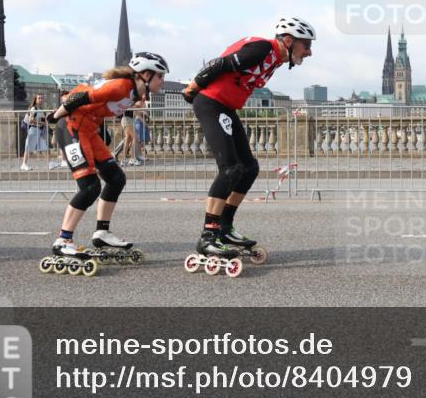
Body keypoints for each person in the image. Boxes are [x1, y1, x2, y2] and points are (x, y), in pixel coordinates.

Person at [182, 17, 315, 261]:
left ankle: (224, 227)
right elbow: (220, 63)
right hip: (212, 103)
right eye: (305, 45)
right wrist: (193, 86)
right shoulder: (264, 48)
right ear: (289, 40)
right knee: (230, 169)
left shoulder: (275, 59)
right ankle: (208, 236)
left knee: (249, 167)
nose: (309, 52)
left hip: (226, 108)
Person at [44, 52, 168, 262]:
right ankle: (63, 241)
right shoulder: (121, 86)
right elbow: (80, 97)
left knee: (116, 178)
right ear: (146, 75)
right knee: (90, 186)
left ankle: (102, 233)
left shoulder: (135, 93)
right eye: (160, 77)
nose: (162, 82)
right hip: (71, 127)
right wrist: (54, 117)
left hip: (89, 130)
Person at [20, 94, 50, 171]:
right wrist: (42, 123)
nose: (41, 99)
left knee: (43, 148)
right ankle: (24, 164)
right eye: (39, 98)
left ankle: (50, 164)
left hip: (39, 131)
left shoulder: (41, 109)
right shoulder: (34, 108)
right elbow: (31, 120)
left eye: (42, 98)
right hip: (34, 130)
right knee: (29, 148)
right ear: (35, 100)